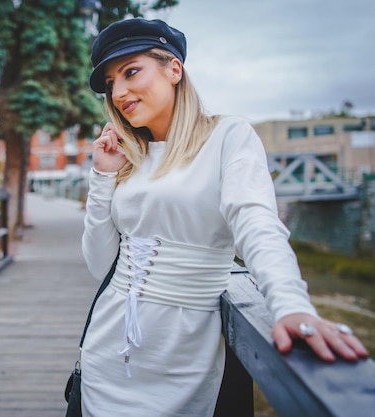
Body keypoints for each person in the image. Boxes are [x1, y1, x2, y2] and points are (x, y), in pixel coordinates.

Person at [80, 17, 368, 416]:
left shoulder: (228, 137)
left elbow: (257, 223)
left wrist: (291, 306)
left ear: (174, 69)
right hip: (107, 350)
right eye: (111, 84)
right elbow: (99, 264)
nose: (120, 92)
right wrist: (102, 176)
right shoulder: (129, 157)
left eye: (131, 72)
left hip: (183, 355)